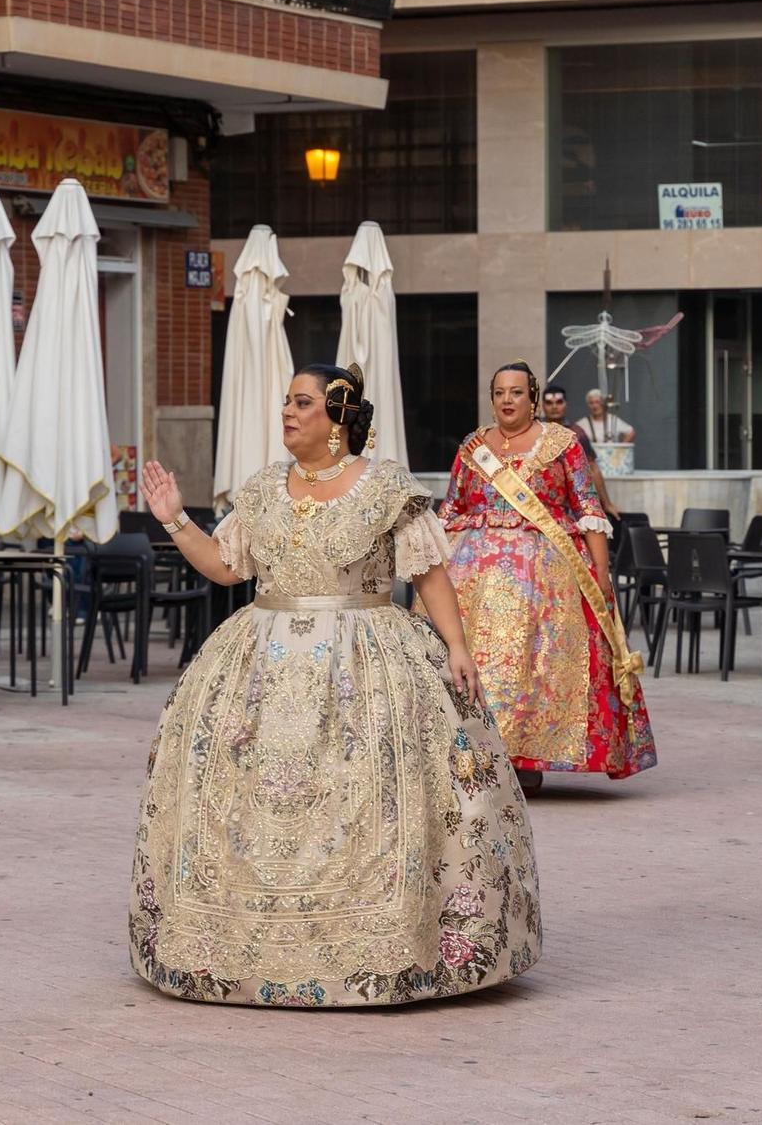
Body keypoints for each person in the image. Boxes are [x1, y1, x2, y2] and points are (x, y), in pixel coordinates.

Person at [129, 363, 541, 1007]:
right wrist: (176, 520)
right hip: (261, 658)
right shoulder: (263, 490)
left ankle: (386, 947)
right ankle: (241, 948)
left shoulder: (384, 490)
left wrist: (457, 646)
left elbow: (428, 572)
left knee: (371, 799)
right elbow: (225, 568)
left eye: (301, 402)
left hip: (368, 662)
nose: (287, 413)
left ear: (339, 417)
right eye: (285, 403)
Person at [442, 361, 656, 794]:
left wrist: (600, 573)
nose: (506, 400)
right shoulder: (472, 446)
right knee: (470, 660)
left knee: (535, 665)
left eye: (516, 392)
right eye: (499, 392)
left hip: (547, 577)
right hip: (471, 578)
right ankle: (472, 750)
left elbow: (589, 510)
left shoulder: (563, 444)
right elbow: (451, 509)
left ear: (533, 398)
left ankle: (525, 756)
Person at [543, 382, 619, 519]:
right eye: (549, 403)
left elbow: (593, 468)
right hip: (540, 503)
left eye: (559, 402)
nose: (554, 407)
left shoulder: (576, 433)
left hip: (570, 503)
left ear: (565, 405)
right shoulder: (536, 431)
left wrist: (607, 504)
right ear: (542, 406)